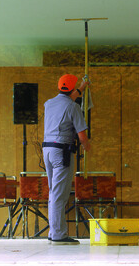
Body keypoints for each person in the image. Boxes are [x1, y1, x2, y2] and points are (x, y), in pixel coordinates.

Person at [42, 74, 89, 245]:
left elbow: (67, 99)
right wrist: (87, 147)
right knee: (59, 194)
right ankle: (59, 235)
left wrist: (82, 88)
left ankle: (53, 231)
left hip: (47, 149)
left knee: (53, 191)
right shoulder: (73, 107)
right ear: (71, 88)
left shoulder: (49, 103)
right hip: (62, 151)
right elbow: (82, 135)